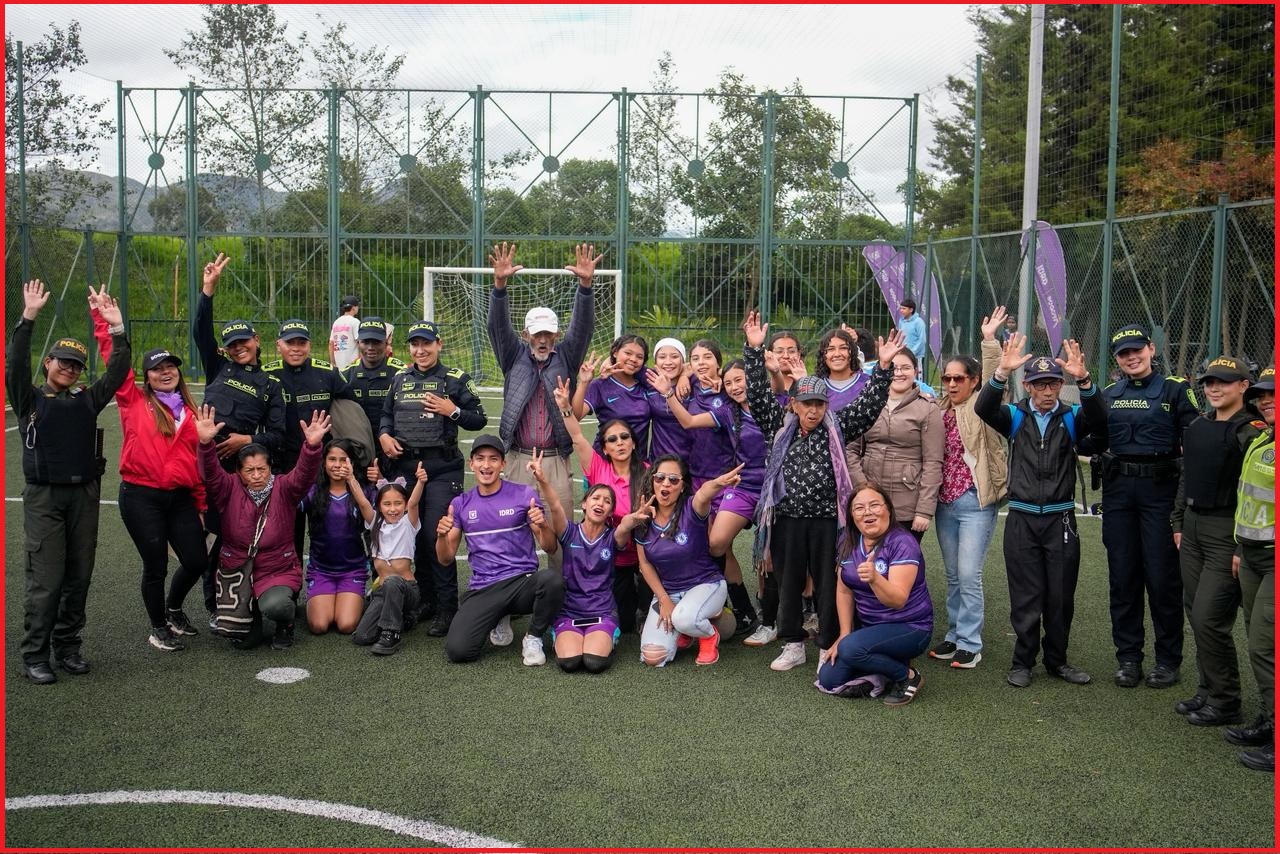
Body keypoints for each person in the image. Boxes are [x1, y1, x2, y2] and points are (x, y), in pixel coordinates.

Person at [743, 310, 902, 673]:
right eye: (807, 403)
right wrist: (754, 352)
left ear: (826, 405)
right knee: (788, 583)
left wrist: (884, 368)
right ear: (794, 404)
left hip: (829, 520)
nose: (813, 410)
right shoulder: (776, 424)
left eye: (819, 403)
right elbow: (756, 391)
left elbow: (870, 405)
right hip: (786, 520)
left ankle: (827, 643)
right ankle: (792, 644)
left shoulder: (837, 426)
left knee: (829, 584)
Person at [8, 281, 132, 684]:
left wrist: (116, 329)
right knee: (46, 580)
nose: (68, 368)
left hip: (84, 494)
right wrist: (27, 318)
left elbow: (117, 372)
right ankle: (35, 655)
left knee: (79, 575)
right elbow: (14, 364)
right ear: (48, 363)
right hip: (45, 496)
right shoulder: (30, 401)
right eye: (62, 361)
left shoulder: (87, 399)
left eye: (76, 364)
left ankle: (68, 647)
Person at [975, 334, 1105, 688]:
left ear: (1061, 385)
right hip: (1021, 518)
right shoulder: (1016, 415)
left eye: (1052, 384)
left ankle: (1057, 661)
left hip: (1061, 518)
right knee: (1026, 594)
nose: (1046, 391)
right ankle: (1023, 661)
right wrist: (1001, 371)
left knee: (1060, 595)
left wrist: (1086, 381)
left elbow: (1101, 419)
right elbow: (983, 409)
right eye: (1038, 384)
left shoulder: (1072, 416)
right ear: (1029, 387)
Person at [92, 296, 206, 653]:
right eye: (157, 369)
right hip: (141, 495)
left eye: (171, 366)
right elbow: (115, 361)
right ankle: (158, 627)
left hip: (182, 497)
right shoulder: (132, 400)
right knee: (155, 564)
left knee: (197, 560)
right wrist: (108, 322)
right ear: (146, 376)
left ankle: (173, 609)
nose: (165, 372)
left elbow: (196, 460)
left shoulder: (191, 410)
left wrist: (201, 504)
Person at [487, 241, 602, 568]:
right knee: (510, 534)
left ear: (555, 334)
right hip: (517, 460)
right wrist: (499, 287)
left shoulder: (566, 356)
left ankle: (564, 606)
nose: (542, 340)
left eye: (548, 334)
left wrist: (585, 287)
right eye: (536, 334)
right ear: (526, 334)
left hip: (554, 461)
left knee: (561, 536)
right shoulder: (512, 357)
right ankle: (507, 607)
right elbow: (496, 328)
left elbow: (583, 328)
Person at [1100, 324, 1201, 689]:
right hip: (1119, 494)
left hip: (1161, 491)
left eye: (1137, 350)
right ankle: (1128, 658)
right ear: (1117, 359)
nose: (1132, 357)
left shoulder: (1177, 390)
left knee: (1162, 580)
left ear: (1151, 350)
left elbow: (1196, 442)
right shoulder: (1109, 394)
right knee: (1123, 579)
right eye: (1124, 353)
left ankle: (1167, 661)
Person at [1170, 356, 1264, 726]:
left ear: (1244, 386)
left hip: (1226, 531)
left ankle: (1226, 701)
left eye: (1224, 382)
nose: (1214, 388)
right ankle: (1208, 690)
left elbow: (1255, 495)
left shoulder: (1251, 431)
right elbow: (1186, 476)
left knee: (1211, 617)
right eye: (1209, 382)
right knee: (1195, 612)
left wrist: (1242, 545)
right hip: (1192, 528)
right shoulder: (1197, 426)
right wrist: (1178, 520)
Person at [192, 253, 286, 622]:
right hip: (205, 466)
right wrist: (207, 291)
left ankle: (251, 598)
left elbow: (278, 436)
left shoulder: (270, 384)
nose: (237, 347)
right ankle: (214, 605)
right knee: (209, 541)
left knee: (241, 538)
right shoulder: (219, 366)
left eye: (243, 341)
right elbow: (201, 332)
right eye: (231, 344)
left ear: (256, 340)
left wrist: (246, 439)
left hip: (243, 475)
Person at [378, 320, 486, 636]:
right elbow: (386, 414)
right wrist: (384, 434)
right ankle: (423, 600)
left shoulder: (455, 379)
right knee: (412, 534)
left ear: (438, 345)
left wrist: (452, 410)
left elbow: (477, 419)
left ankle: (446, 608)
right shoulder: (399, 379)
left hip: (442, 468)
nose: (420, 350)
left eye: (427, 343)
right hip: (406, 468)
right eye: (415, 344)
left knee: (435, 536)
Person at [646, 359, 764, 637]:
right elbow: (687, 421)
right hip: (705, 481)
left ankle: (771, 610)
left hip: (732, 478)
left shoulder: (742, 398)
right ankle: (733, 609)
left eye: (707, 358)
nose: (701, 363)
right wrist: (673, 387)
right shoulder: (705, 395)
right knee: (716, 545)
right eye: (695, 359)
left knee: (770, 551)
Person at [196, 406, 328, 651]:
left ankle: (284, 624)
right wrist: (205, 445)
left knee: (276, 606)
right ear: (238, 472)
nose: (257, 475)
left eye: (262, 469)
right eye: (249, 470)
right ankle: (250, 617)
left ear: (271, 469)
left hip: (277, 568)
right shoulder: (228, 488)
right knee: (246, 642)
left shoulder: (285, 488)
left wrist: (311, 447)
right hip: (237, 571)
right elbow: (211, 474)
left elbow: (304, 474)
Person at [926, 308, 1008, 670]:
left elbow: (995, 377)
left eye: (960, 378)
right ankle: (954, 636)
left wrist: (989, 340)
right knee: (952, 575)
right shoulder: (939, 408)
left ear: (974, 380)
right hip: (945, 503)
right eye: (947, 378)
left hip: (976, 501)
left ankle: (970, 644)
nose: (952, 384)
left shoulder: (984, 406)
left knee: (969, 574)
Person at [437, 435, 562, 665]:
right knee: (459, 651)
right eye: (480, 459)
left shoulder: (524, 495)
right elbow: (445, 559)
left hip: (520, 582)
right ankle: (498, 616)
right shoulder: (460, 504)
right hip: (484, 588)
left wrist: (543, 525)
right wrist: (441, 536)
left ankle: (532, 637)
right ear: (471, 464)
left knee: (553, 581)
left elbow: (550, 546)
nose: (487, 465)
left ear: (503, 464)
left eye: (494, 459)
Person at [528, 452, 651, 673]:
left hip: (602, 611)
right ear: (584, 504)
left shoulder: (612, 536)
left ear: (611, 511)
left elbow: (624, 528)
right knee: (570, 663)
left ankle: (607, 636)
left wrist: (631, 519)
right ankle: (564, 633)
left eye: (607, 501)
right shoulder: (569, 532)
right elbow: (555, 506)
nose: (600, 503)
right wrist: (542, 479)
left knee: (594, 663)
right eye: (595, 498)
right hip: (570, 611)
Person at [816, 483, 934, 705]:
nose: (867, 512)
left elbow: (898, 600)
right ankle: (882, 668)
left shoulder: (903, 542)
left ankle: (907, 676)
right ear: (852, 516)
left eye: (874, 505)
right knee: (829, 678)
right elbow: (843, 589)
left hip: (910, 627)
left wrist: (875, 579)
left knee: (850, 649)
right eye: (859, 508)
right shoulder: (847, 540)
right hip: (870, 628)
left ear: (888, 509)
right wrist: (844, 632)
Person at [554, 377, 649, 634]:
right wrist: (565, 406)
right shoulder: (597, 467)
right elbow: (575, 434)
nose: (619, 442)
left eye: (624, 437)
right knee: (626, 624)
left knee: (646, 611)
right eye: (612, 439)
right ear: (604, 448)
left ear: (633, 442)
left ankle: (647, 596)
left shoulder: (650, 472)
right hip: (613, 558)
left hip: (645, 555)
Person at [635, 456, 744, 667]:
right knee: (653, 656)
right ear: (652, 481)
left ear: (683, 485)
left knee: (684, 619)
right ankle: (686, 627)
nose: (666, 483)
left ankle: (709, 635)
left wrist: (719, 483)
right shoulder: (643, 517)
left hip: (705, 584)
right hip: (670, 593)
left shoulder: (692, 508)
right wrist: (664, 599)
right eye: (660, 478)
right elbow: (645, 565)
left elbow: (704, 493)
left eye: (674, 480)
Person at [845, 348, 944, 543]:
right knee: (867, 563)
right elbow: (851, 449)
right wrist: (863, 488)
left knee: (902, 563)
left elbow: (933, 462)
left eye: (905, 368)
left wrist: (924, 510)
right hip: (869, 501)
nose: (899, 373)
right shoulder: (867, 402)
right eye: (894, 367)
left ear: (916, 371)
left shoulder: (928, 409)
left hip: (906, 503)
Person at [1229, 366, 1275, 772]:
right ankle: (1269, 720)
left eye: (1274, 394)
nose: (1267, 400)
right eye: (1262, 394)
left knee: (1266, 646)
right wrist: (1242, 547)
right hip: (1254, 553)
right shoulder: (1262, 439)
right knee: (1257, 640)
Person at [301, 439, 378, 636]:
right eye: (332, 459)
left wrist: (352, 480)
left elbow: (372, 519)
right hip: (321, 570)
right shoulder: (313, 491)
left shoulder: (365, 490)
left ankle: (359, 596)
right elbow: (290, 500)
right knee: (319, 626)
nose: (337, 465)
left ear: (352, 463)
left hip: (352, 569)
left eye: (344, 460)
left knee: (346, 625)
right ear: (324, 462)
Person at [350, 464, 429, 656]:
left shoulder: (408, 523)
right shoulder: (375, 523)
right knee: (361, 637)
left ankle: (391, 633)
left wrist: (420, 481)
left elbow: (413, 503)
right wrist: (350, 477)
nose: (393, 509)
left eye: (397, 503)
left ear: (403, 505)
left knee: (394, 581)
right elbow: (362, 502)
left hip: (407, 590)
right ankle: (402, 619)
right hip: (383, 592)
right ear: (379, 506)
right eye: (387, 504)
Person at [264, 320, 356, 474]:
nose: (296, 349)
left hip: (322, 457)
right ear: (278, 345)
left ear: (309, 345)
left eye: (301, 343)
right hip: (281, 458)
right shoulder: (267, 375)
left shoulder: (328, 373)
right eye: (289, 343)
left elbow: (352, 406)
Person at [573, 335, 651, 455]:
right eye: (628, 353)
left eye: (639, 357)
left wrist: (683, 377)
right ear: (615, 353)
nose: (633, 359)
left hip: (638, 464)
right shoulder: (600, 384)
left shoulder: (647, 384)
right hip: (604, 463)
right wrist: (584, 382)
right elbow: (576, 415)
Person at [343, 316, 407, 443]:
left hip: (394, 443)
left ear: (386, 342)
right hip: (360, 443)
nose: (371, 347)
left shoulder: (401, 373)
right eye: (366, 342)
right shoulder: (346, 374)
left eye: (376, 342)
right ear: (358, 342)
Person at [645, 337, 694, 462]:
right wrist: (609, 360)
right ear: (655, 362)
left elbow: (719, 371)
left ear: (683, 360)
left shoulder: (695, 382)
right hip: (659, 461)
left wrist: (684, 376)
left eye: (674, 356)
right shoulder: (649, 380)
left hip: (692, 462)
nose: (668, 362)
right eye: (662, 357)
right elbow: (626, 362)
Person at [813, 328, 868, 409]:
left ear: (852, 351)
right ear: (823, 355)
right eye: (831, 349)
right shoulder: (815, 385)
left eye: (843, 348)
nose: (837, 354)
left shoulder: (867, 383)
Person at [329, 294, 361, 371]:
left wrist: (333, 362)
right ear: (353, 308)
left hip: (338, 364)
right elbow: (361, 342)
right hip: (352, 365)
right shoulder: (355, 322)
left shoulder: (336, 322)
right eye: (357, 306)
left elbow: (331, 344)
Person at [897, 297, 927, 364]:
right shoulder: (901, 321)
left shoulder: (919, 322)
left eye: (904, 308)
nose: (901, 310)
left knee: (916, 374)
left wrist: (912, 352)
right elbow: (900, 337)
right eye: (901, 308)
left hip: (916, 357)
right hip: (903, 355)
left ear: (911, 310)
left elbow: (922, 340)